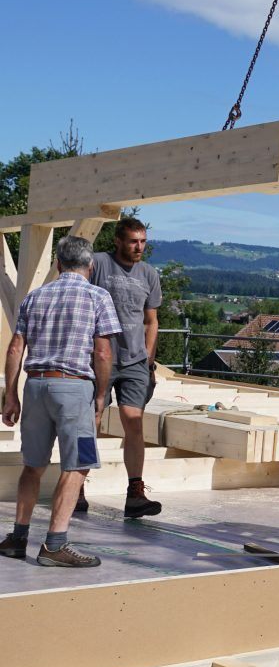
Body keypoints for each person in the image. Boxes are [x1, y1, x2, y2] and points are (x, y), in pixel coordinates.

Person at [0, 234, 121, 566]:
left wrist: (10, 395)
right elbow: (102, 352)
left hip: (36, 386)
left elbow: (15, 349)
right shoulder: (98, 296)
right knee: (79, 464)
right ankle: (54, 545)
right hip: (73, 388)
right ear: (90, 265)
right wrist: (100, 395)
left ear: (58, 263)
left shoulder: (35, 296)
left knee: (33, 466)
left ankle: (18, 538)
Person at [82, 216, 163, 517]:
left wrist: (149, 362)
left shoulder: (149, 274)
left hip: (135, 361)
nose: (139, 247)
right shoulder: (98, 264)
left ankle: (135, 493)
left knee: (134, 421)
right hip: (99, 358)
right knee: (91, 421)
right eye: (133, 241)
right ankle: (77, 486)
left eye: (143, 241)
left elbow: (151, 321)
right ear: (118, 240)